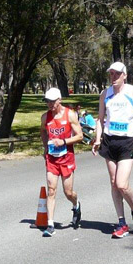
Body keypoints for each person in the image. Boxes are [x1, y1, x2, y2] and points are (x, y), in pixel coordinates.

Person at [92, 61, 133, 238]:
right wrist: (97, 139)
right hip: (109, 141)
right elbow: (100, 119)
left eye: (117, 74)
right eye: (111, 74)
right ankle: (121, 222)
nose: (114, 77)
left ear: (124, 75)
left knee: (122, 184)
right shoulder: (105, 94)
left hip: (127, 142)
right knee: (113, 183)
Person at [40, 88, 83, 237]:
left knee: (68, 192)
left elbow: (80, 136)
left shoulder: (70, 115)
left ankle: (76, 205)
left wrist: (63, 141)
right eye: (47, 101)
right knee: (51, 190)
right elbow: (43, 132)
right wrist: (46, 146)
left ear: (59, 100)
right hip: (52, 158)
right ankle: (50, 224)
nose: (50, 104)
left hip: (66, 158)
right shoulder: (45, 117)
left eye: (52, 101)